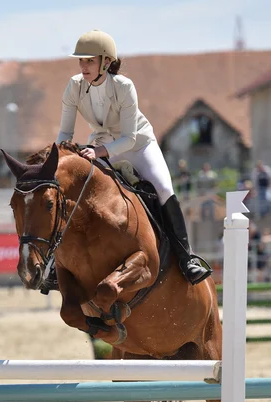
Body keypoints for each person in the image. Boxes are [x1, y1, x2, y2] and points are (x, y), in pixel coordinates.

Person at [56, 30, 211, 285]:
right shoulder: (74, 86)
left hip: (138, 144)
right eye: (81, 61)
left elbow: (128, 138)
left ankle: (187, 259)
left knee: (162, 188)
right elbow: (65, 132)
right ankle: (57, 263)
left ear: (106, 62)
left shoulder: (123, 86)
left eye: (90, 61)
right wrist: (59, 155)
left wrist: (98, 152)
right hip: (102, 143)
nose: (83, 66)